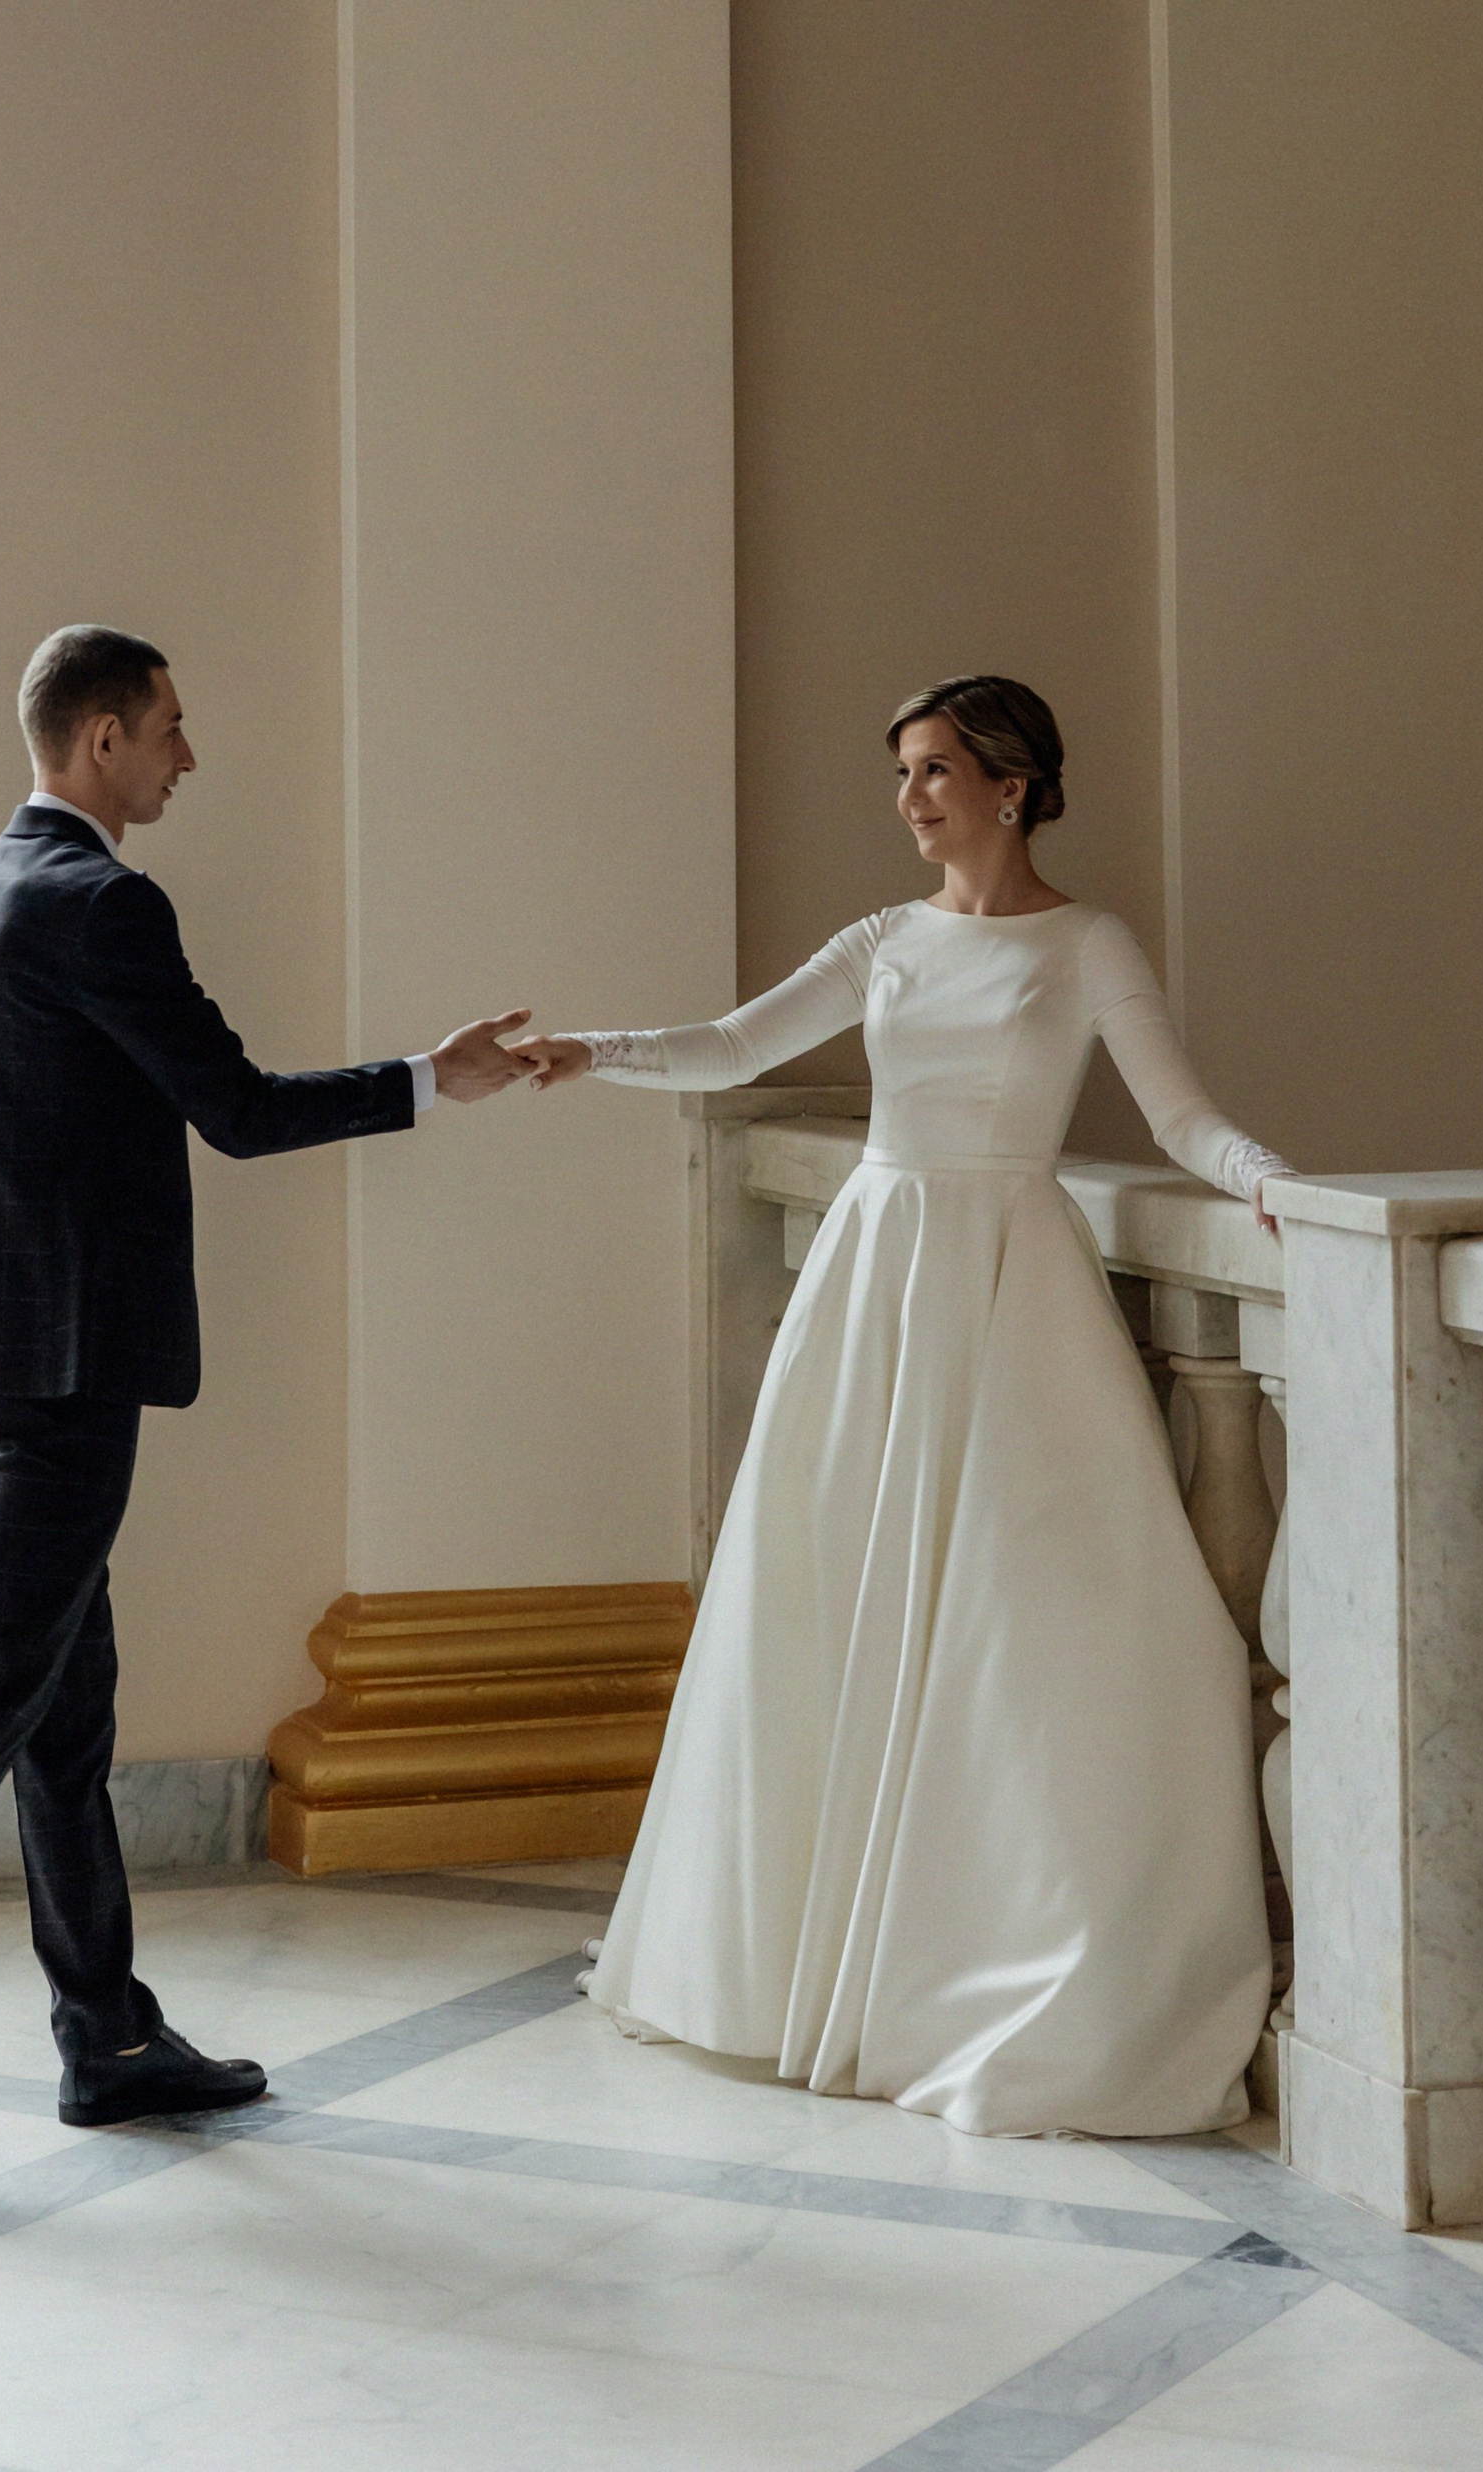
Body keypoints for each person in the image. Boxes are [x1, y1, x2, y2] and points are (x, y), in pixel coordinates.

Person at [0, 625, 532, 2172]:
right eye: (168, 726)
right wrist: (432, 1079)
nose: (186, 756)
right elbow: (235, 1110)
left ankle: (110, 2036)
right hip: (69, 1359)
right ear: (98, 739)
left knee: (60, 1701)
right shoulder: (101, 903)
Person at [514, 673, 1285, 2140]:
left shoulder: (1088, 941)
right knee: (829, 1603)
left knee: (1039, 1625)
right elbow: (737, 1046)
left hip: (1011, 1287)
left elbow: (1179, 1115)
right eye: (904, 773)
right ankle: (796, 1963)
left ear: (1013, 783)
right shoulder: (884, 941)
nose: (910, 798)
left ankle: (990, 1958)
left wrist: (1269, 1184)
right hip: (874, 1283)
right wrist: (591, 1053)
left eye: (936, 770)